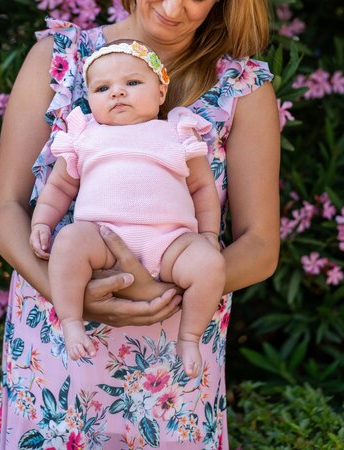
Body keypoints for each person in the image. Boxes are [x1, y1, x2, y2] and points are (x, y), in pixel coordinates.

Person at [0, 0, 280, 449]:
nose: (173, 9)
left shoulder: (241, 89)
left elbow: (261, 246)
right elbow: (4, 211)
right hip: (56, 355)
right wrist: (63, 291)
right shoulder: (58, 59)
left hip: (172, 370)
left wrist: (156, 286)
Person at [29, 40, 224, 378]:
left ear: (161, 91)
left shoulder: (177, 132)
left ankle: (189, 337)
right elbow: (59, 186)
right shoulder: (85, 134)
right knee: (70, 240)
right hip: (101, 239)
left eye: (132, 83)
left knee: (210, 263)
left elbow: (202, 187)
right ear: (89, 99)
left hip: (170, 243)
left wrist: (207, 234)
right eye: (103, 88)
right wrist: (42, 222)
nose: (117, 93)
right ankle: (72, 320)